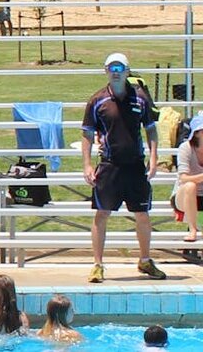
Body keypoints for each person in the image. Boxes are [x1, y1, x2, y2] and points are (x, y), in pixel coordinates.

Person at [82, 52, 167, 283]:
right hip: (109, 166)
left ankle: (145, 260)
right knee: (102, 214)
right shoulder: (97, 101)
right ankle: (97, 264)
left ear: (128, 72)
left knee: (142, 214)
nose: (116, 72)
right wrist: (87, 164)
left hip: (135, 166)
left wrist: (153, 157)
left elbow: (150, 129)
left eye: (120, 68)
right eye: (112, 68)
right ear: (105, 71)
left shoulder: (140, 99)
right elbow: (87, 134)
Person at [170, 113, 203, 242]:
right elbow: (183, 178)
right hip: (183, 197)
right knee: (190, 186)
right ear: (196, 133)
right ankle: (193, 230)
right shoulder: (186, 148)